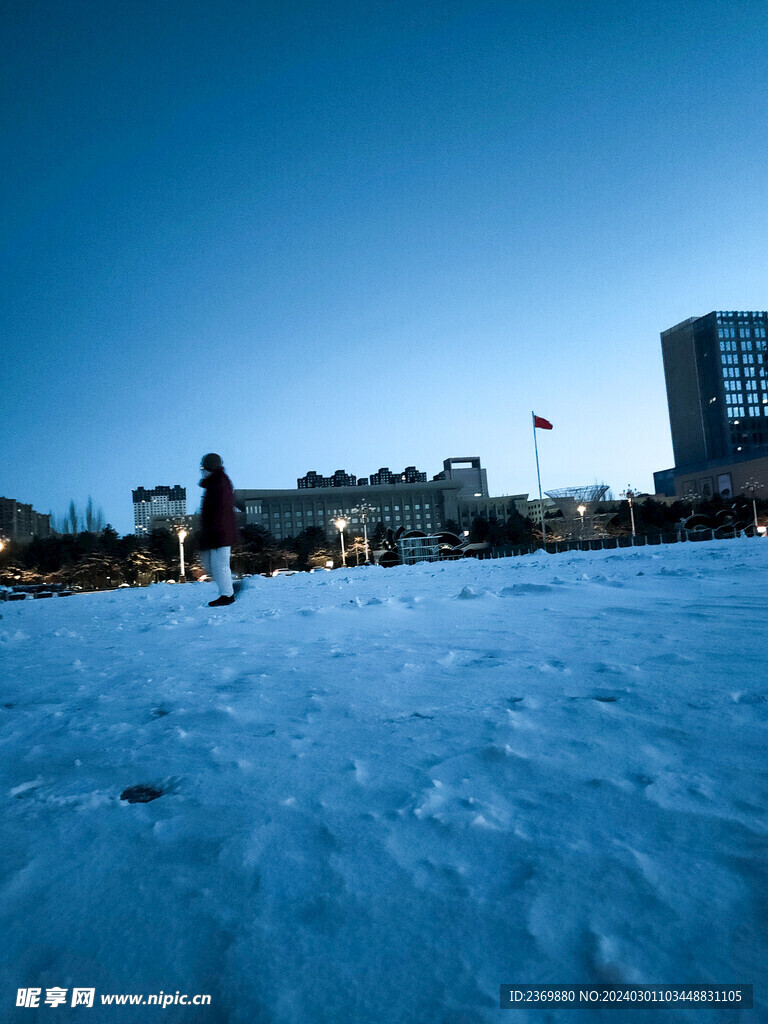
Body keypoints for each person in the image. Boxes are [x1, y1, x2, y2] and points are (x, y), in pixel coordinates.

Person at [198, 453, 241, 607]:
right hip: (218, 532)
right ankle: (230, 585)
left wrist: (214, 532)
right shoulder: (216, 482)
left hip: (219, 532)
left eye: (204, 467)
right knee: (213, 565)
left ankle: (228, 594)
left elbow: (219, 512)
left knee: (218, 565)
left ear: (210, 468)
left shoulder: (218, 483)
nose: (202, 470)